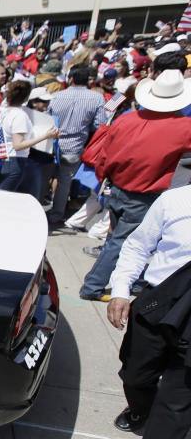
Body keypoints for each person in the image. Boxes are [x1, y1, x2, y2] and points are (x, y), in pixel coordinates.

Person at [79, 69, 191, 301]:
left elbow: (104, 156)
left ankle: (129, 280)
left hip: (116, 187)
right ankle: (93, 286)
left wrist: (105, 180)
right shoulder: (183, 127)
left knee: (116, 240)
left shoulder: (125, 119)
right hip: (142, 195)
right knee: (124, 242)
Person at [106, 184, 191, 439]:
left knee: (178, 398)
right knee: (135, 375)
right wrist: (120, 290)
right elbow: (138, 245)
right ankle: (141, 411)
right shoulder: (174, 201)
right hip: (158, 303)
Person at [46, 65, 107, 224]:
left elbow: (46, 118)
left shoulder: (56, 96)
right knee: (64, 182)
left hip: (51, 144)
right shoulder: (96, 98)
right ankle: (57, 213)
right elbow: (100, 124)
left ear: (71, 78)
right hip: (75, 145)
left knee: (46, 178)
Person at [0, 81, 60, 195]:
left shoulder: (0, 111)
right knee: (9, 197)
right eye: (44, 101)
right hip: (15, 160)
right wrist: (45, 136)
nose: (47, 104)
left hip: (2, 159)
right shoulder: (19, 115)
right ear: (29, 99)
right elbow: (18, 145)